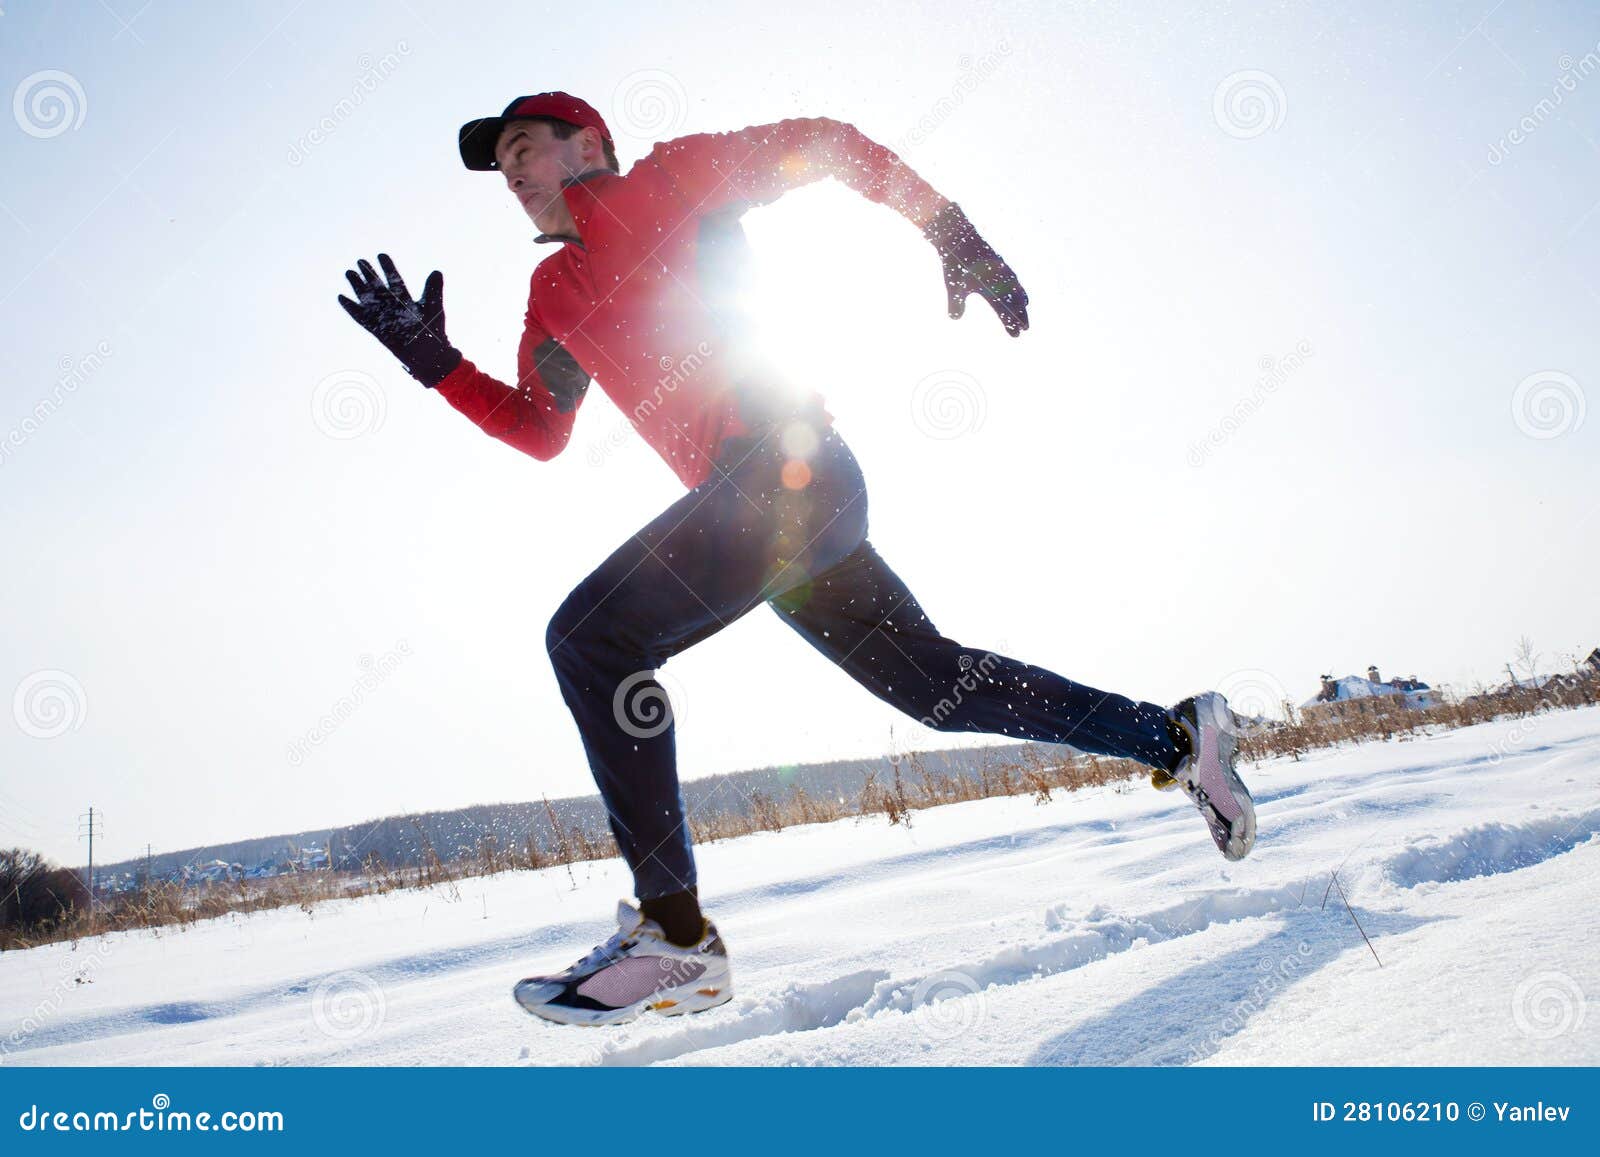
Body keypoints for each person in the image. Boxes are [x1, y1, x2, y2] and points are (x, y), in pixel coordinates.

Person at [336, 91, 1257, 1028]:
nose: (515, 175)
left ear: (590, 144)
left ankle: (675, 937)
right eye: (503, 169)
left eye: (526, 148)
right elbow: (540, 430)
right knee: (926, 684)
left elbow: (823, 144)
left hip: (788, 473)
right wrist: (434, 363)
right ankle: (1179, 739)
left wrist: (949, 227)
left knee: (591, 637)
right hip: (771, 520)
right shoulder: (551, 297)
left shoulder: (670, 178)